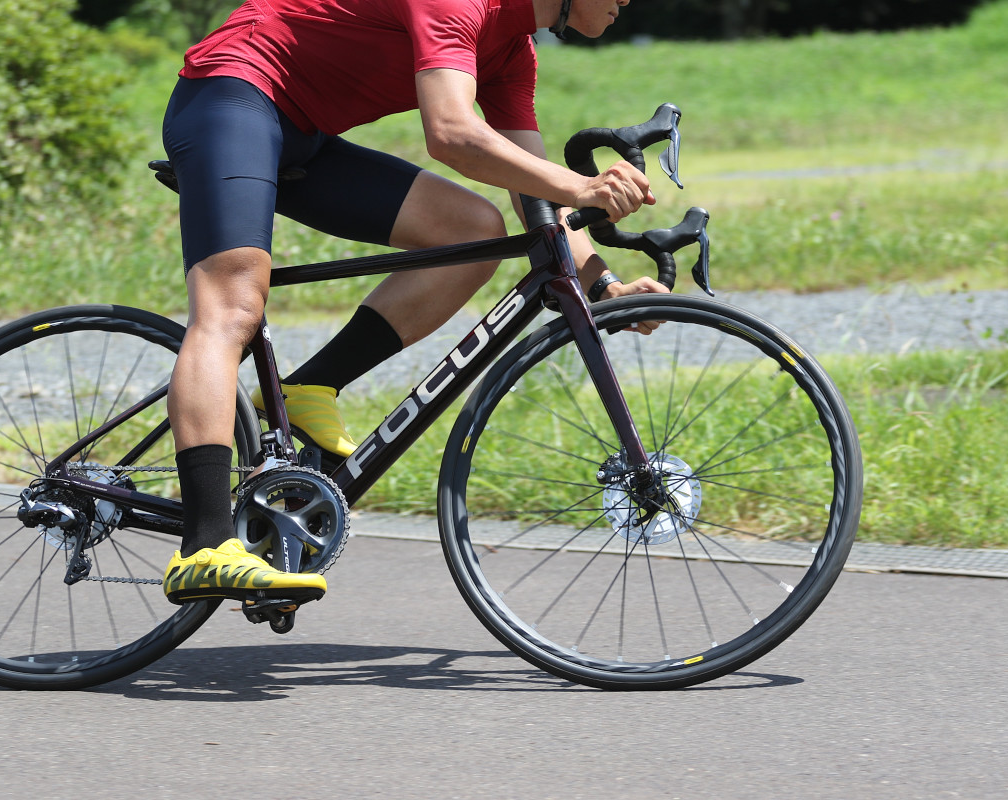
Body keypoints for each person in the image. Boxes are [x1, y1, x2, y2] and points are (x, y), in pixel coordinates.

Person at [160, 0, 669, 605]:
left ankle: (308, 388)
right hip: (231, 93)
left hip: (303, 134)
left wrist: (604, 287)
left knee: (475, 234)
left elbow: (534, 189)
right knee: (233, 309)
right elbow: (451, 133)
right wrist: (584, 185)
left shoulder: (511, 50)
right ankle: (204, 545)